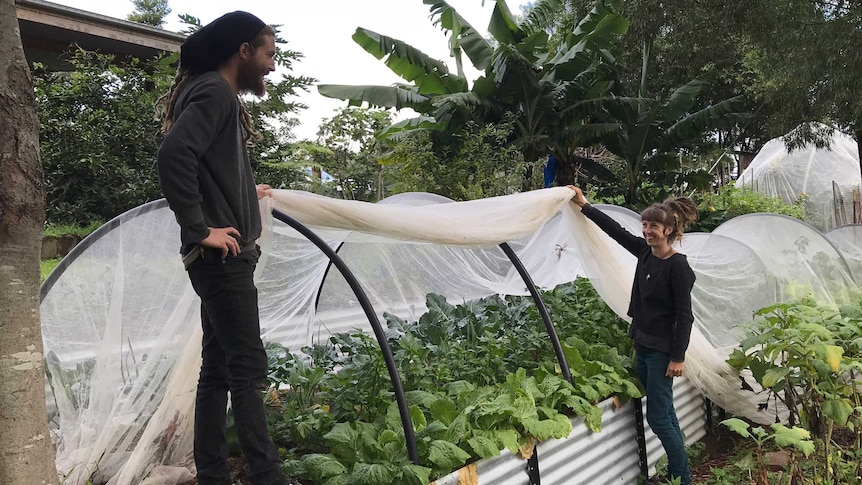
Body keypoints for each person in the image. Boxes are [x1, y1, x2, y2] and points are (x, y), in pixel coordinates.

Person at [156, 11, 293, 485]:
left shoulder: (215, 95)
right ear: (243, 50)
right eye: (269, 54)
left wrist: (241, 194)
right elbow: (175, 155)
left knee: (217, 368)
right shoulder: (216, 92)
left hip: (220, 258)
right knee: (247, 366)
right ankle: (266, 476)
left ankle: (213, 474)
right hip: (221, 258)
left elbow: (207, 165)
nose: (272, 66)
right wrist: (200, 229)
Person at [567, 185, 697, 485]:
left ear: (668, 230)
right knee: (666, 413)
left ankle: (682, 479)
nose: (647, 230)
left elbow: (684, 316)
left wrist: (678, 357)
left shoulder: (678, 267)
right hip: (643, 345)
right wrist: (584, 205)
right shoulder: (644, 252)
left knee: (658, 418)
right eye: (645, 224)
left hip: (663, 352)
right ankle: (680, 473)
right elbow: (614, 230)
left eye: (654, 226)